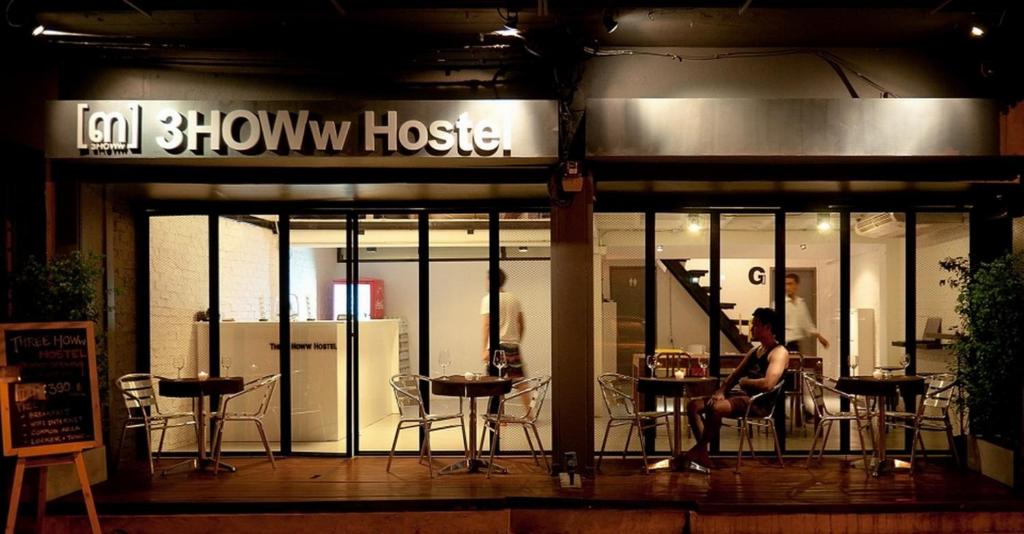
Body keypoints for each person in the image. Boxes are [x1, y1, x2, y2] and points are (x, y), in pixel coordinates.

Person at [680, 307, 789, 471]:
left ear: (768, 328)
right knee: (694, 405)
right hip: (743, 397)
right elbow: (735, 374)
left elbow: (768, 384)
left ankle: (696, 451)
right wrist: (721, 391)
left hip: (758, 403)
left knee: (715, 408)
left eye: (756, 325)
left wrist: (746, 383)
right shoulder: (756, 350)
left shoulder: (779, 352)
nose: (752, 328)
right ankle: (702, 452)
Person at [480, 268, 528, 414]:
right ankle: (529, 414)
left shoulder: (488, 299)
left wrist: (484, 349)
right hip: (513, 345)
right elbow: (522, 323)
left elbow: (487, 324)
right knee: (520, 382)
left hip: (496, 346)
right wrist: (516, 340)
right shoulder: (514, 299)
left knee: (495, 382)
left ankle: (498, 417)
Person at [784, 273, 829, 353]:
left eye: (790, 284)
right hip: (783, 344)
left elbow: (807, 324)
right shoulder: (779, 304)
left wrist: (819, 337)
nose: (787, 287)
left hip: (795, 344)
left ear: (797, 285)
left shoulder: (800, 303)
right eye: (786, 284)